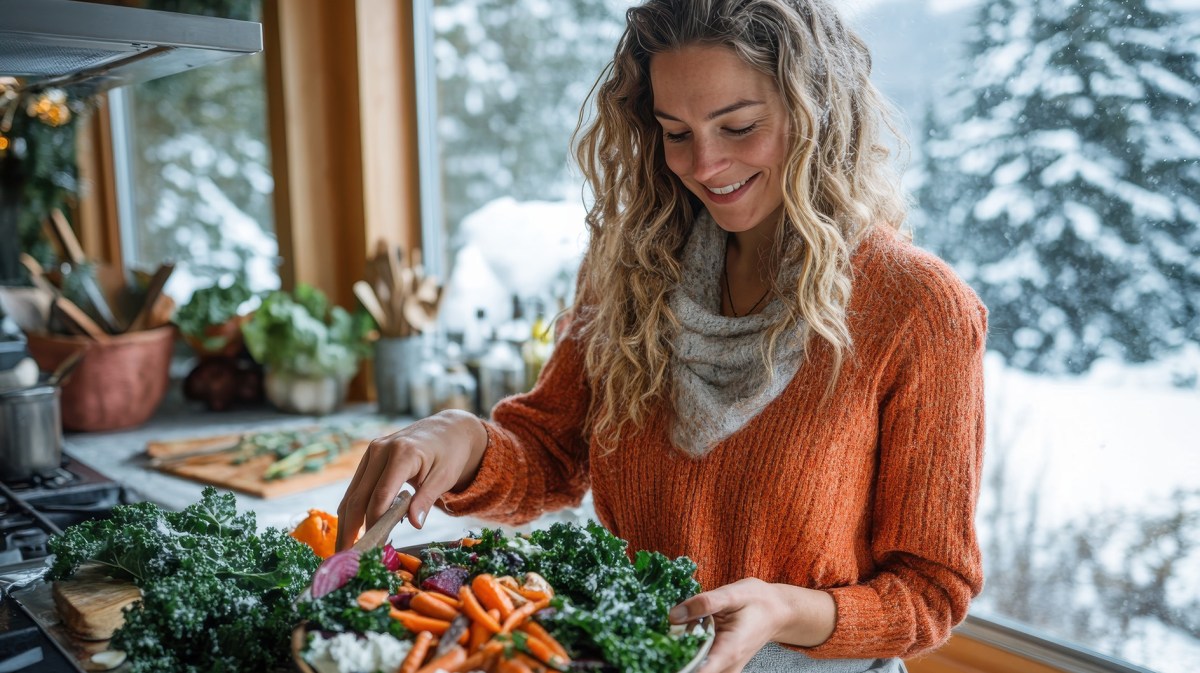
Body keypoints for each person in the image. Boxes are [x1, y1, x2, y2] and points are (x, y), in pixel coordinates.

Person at [336, 0, 987, 671]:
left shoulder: (919, 309)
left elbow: (931, 590)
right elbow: (550, 453)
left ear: (816, 111)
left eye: (738, 126)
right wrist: (464, 439)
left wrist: (785, 610)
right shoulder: (631, 268)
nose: (704, 164)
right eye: (676, 132)